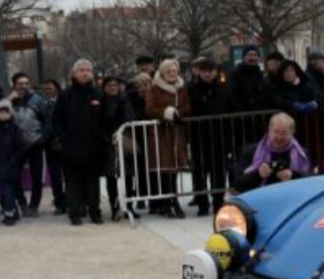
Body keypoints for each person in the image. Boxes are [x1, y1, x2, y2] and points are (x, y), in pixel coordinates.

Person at [53, 59, 109, 226]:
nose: (85, 73)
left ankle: (95, 212)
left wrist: (101, 137)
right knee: (73, 182)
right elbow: (57, 119)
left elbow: (105, 119)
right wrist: (64, 137)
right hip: (72, 146)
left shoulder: (99, 94)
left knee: (93, 182)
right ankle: (75, 213)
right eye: (81, 70)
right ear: (74, 73)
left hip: (93, 146)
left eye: (88, 70)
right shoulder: (65, 95)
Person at [144, 58, 192, 218]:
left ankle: (175, 201)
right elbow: (150, 109)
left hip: (176, 133)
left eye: (175, 71)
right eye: (169, 71)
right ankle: (166, 203)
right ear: (163, 72)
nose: (172, 74)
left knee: (174, 169)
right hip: (161, 133)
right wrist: (166, 113)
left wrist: (178, 113)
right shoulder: (154, 88)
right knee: (164, 169)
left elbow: (187, 107)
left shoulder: (181, 88)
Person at [188, 57, 234, 217]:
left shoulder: (224, 88)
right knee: (199, 172)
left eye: (211, 71)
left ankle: (218, 201)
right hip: (199, 136)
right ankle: (202, 203)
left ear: (215, 72)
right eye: (204, 71)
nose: (207, 74)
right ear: (199, 72)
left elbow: (231, 109)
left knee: (219, 172)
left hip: (219, 136)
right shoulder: (192, 89)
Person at [231, 113, 312, 194]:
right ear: (269, 130)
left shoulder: (302, 153)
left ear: (292, 133)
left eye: (284, 133)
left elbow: (310, 181)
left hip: (291, 196)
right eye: (276, 132)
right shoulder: (251, 151)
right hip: (260, 197)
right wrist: (258, 174)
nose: (279, 137)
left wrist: (293, 176)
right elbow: (237, 183)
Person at [8, 73, 50, 218]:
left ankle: (34, 206)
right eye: (20, 83)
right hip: (15, 145)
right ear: (14, 85)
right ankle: (22, 203)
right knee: (14, 176)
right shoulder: (9, 100)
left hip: (35, 143)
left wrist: (43, 137)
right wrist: (9, 101)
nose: (24, 86)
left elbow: (47, 120)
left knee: (36, 177)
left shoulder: (37, 100)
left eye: (26, 83)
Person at [100, 75, 135, 221]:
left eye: (116, 85)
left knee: (129, 176)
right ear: (104, 88)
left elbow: (131, 118)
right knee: (111, 177)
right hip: (108, 144)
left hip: (124, 142)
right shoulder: (101, 102)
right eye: (110, 85)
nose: (113, 88)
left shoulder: (124, 100)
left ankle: (129, 207)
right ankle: (115, 208)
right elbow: (99, 123)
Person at [0, 99, 25, 226]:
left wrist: (14, 160)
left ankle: (9, 214)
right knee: (4, 191)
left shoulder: (14, 128)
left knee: (8, 190)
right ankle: (14, 212)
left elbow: (20, 147)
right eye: (0, 112)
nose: (3, 115)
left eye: (5, 112)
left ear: (10, 113)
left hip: (11, 165)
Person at [38, 79, 67, 216]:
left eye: (50, 88)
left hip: (63, 142)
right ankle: (59, 203)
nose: (47, 91)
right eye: (45, 89)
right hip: (49, 145)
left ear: (56, 89)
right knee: (55, 177)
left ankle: (70, 201)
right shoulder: (40, 105)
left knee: (69, 175)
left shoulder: (63, 102)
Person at [231, 46, 272, 112]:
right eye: (250, 55)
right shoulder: (236, 74)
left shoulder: (259, 73)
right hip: (243, 114)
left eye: (255, 55)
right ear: (244, 57)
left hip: (259, 113)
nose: (253, 58)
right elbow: (234, 95)